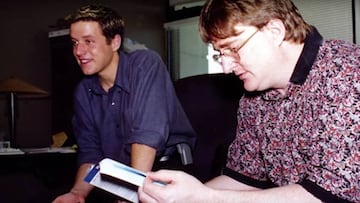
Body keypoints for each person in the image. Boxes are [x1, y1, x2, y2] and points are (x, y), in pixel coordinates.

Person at [138, 0, 360, 202]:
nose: (225, 67)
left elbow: (331, 195)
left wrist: (205, 198)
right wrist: (178, 197)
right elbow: (243, 178)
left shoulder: (348, 75)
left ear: (275, 31)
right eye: (220, 54)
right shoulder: (254, 98)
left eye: (233, 49)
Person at [52, 4, 196, 203]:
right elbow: (90, 153)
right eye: (75, 42)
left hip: (164, 172)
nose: (78, 50)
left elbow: (147, 136)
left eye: (89, 41)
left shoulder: (145, 65)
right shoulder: (83, 91)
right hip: (119, 177)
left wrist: (130, 193)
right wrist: (77, 193)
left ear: (115, 42)